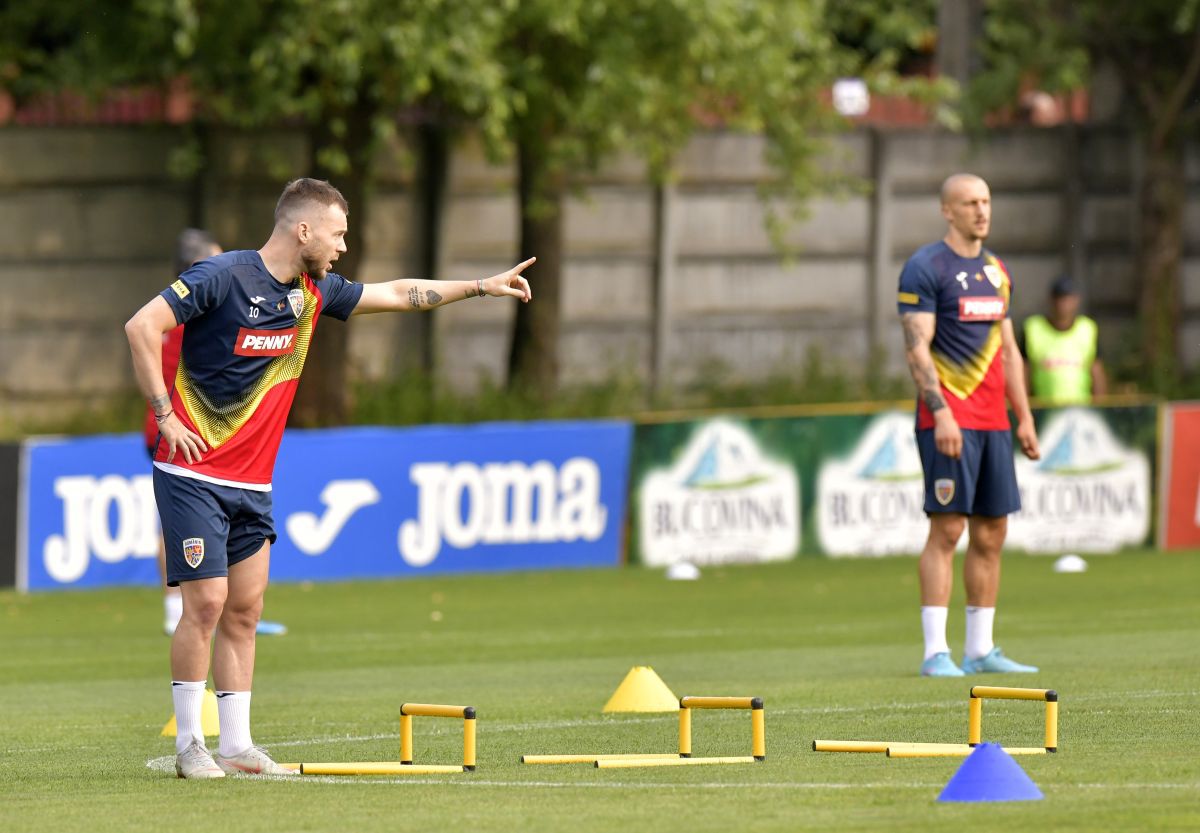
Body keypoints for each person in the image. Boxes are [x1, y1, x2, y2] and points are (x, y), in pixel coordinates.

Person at [124, 178, 534, 778]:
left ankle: (236, 746)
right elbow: (141, 326)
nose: (345, 245)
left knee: (244, 610)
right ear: (304, 229)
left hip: (254, 482)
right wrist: (165, 416)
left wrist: (478, 287)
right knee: (206, 604)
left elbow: (396, 294)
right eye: (339, 233)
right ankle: (191, 745)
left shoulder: (313, 293)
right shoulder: (222, 276)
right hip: (191, 469)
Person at [897, 173, 1041, 678]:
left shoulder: (998, 271)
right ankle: (936, 652)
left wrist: (1022, 416)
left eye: (986, 201)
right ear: (947, 211)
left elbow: (1008, 351)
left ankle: (980, 650)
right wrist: (940, 414)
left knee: (992, 532)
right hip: (948, 422)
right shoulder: (925, 268)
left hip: (994, 424)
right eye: (970, 203)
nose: (982, 211)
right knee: (948, 528)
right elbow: (917, 347)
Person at [147, 230, 289, 639]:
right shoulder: (188, 315)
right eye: (214, 260)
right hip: (179, 431)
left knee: (192, 525)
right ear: (195, 268)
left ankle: (221, 606)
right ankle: (179, 604)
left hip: (199, 433)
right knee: (174, 522)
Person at [1022, 275, 1108, 404]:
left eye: (1068, 299)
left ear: (1076, 300)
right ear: (1051, 300)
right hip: (1043, 410)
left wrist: (1100, 409)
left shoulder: (1087, 329)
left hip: (1081, 409)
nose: (1063, 304)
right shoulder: (1033, 328)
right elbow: (1024, 372)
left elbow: (1097, 372)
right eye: (1060, 299)